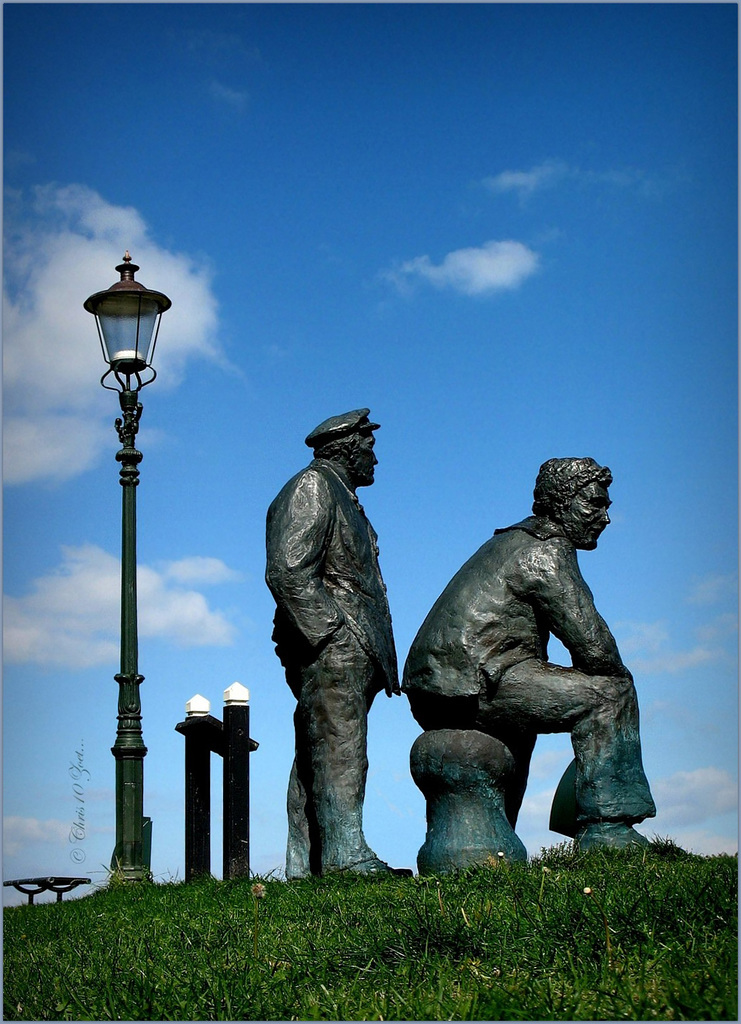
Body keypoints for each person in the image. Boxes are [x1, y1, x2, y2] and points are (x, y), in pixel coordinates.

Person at [402, 457, 656, 851]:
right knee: (610, 694)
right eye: (595, 504)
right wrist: (611, 678)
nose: (605, 517)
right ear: (561, 503)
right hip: (475, 682)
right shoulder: (546, 552)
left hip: (438, 687)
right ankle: (609, 827)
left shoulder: (506, 542)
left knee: (527, 712)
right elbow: (593, 646)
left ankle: (498, 845)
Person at [266, 409, 401, 877]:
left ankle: (305, 866)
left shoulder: (342, 496)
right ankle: (346, 856)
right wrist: (331, 633)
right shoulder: (314, 487)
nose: (375, 459)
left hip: (348, 645)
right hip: (333, 643)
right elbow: (287, 569)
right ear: (345, 448)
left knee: (318, 748)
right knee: (342, 748)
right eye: (369, 448)